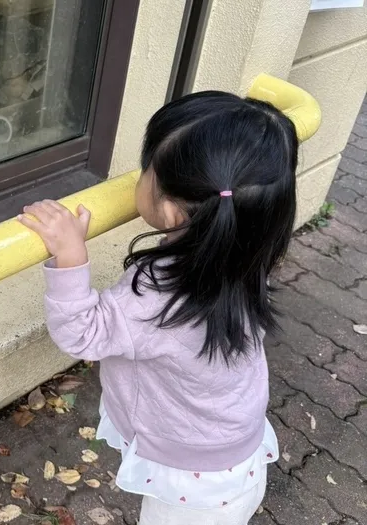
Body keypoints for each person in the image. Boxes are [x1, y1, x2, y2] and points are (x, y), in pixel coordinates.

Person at [17, 91, 298, 525]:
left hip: (190, 483)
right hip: (234, 458)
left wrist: (70, 255)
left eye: (146, 167)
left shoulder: (157, 296)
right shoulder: (248, 254)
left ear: (168, 210)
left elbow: (82, 332)